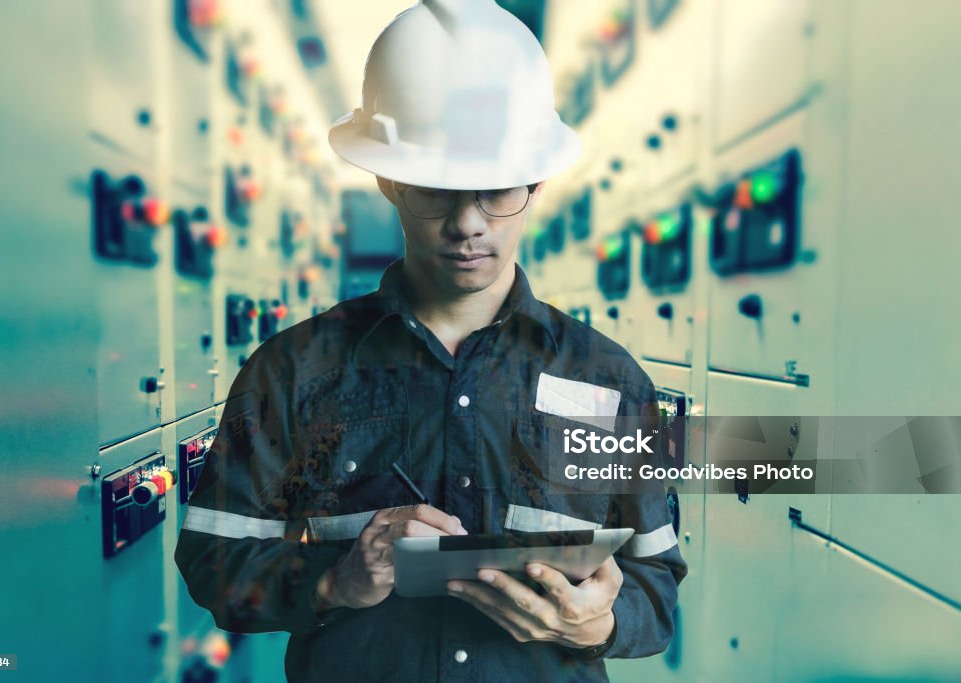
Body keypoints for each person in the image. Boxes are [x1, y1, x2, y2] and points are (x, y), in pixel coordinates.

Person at [174, 1, 686, 681]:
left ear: (535, 182)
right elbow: (214, 562)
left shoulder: (611, 381)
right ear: (388, 180)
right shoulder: (293, 372)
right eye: (437, 191)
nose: (468, 223)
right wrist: (336, 580)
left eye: (496, 191)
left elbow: (658, 581)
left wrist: (602, 622)